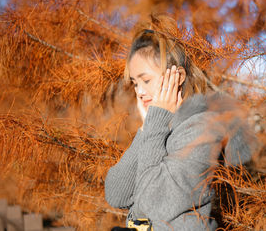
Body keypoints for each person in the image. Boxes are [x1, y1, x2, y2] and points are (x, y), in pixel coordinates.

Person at [105, 15, 252, 230]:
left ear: (177, 76)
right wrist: (148, 128)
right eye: (135, 83)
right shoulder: (157, 128)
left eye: (146, 80)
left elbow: (153, 203)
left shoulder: (201, 128)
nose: (139, 91)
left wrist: (154, 126)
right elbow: (116, 194)